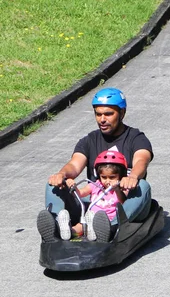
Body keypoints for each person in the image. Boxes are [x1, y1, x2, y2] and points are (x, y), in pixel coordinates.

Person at [37, 87, 153, 243]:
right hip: (95, 203)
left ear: (122, 113)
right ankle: (58, 227)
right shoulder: (89, 140)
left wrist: (132, 177)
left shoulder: (136, 138)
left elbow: (141, 160)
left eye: (108, 114)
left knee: (143, 186)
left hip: (125, 203)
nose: (102, 119)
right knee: (53, 185)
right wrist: (62, 175)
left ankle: (109, 227)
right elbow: (74, 165)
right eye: (98, 114)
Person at [56, 150, 128, 241]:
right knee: (81, 226)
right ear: (98, 175)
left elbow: (123, 201)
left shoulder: (122, 188)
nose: (107, 181)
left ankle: (94, 231)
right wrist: (73, 187)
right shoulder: (96, 185)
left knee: (98, 224)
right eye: (104, 177)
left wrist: (117, 189)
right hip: (90, 217)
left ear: (121, 175)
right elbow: (80, 194)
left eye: (112, 177)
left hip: (108, 222)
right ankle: (67, 230)